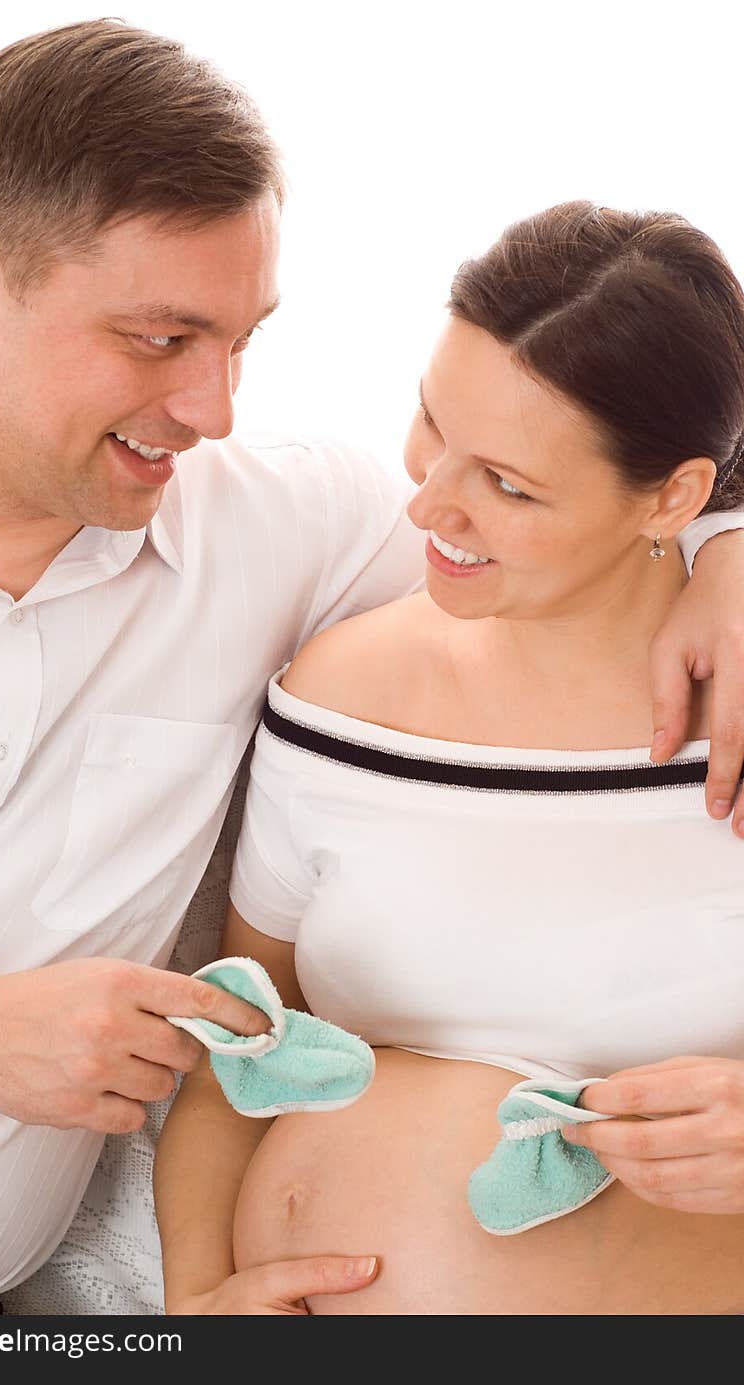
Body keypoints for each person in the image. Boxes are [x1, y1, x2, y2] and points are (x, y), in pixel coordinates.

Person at [0, 21, 743, 1318]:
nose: (214, 408)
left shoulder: (274, 528)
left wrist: (727, 543)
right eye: (160, 339)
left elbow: (594, 465)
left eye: (243, 338)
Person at [156, 201, 744, 1316]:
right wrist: (196, 1312)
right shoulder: (338, 696)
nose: (428, 503)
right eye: (431, 423)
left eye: (509, 486)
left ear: (672, 495)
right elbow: (233, 1048)